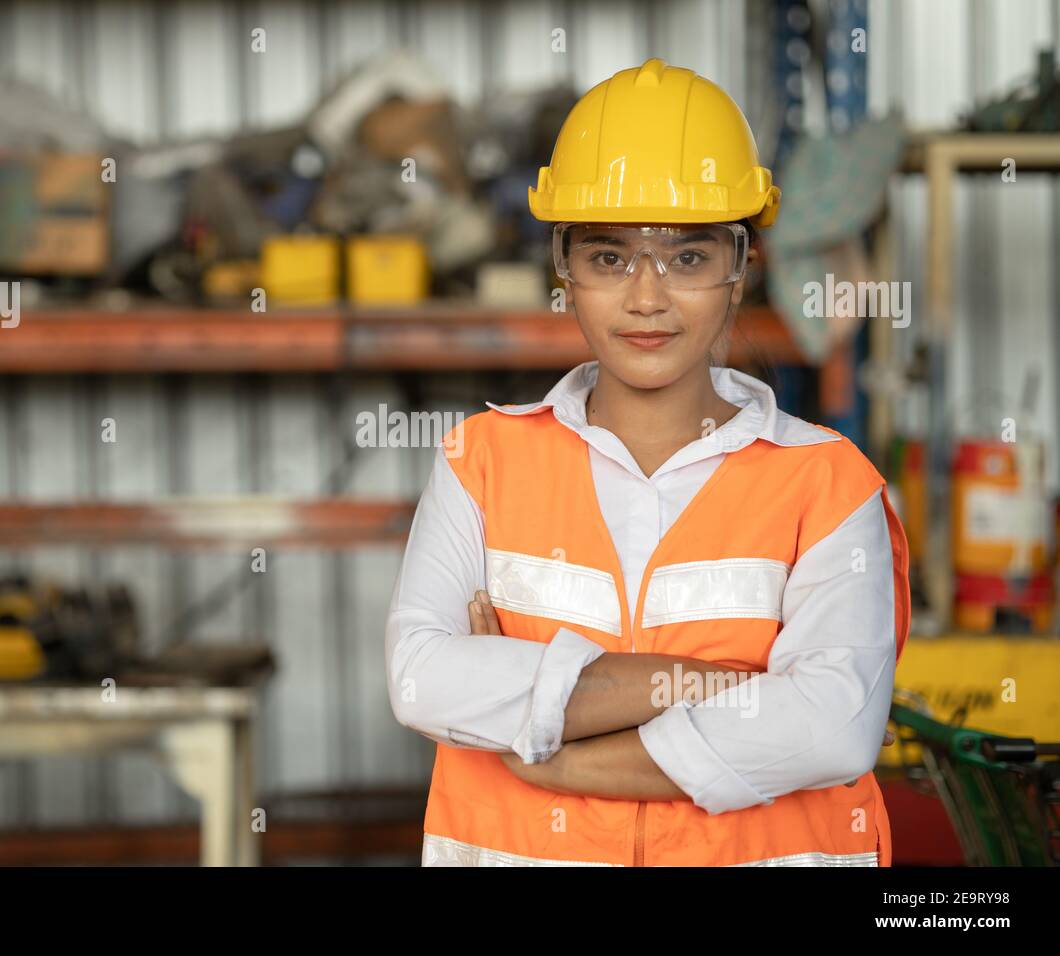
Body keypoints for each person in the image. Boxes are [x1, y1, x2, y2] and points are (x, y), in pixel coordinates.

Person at [384, 58, 911, 867]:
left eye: (689, 259)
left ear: (740, 270)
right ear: (564, 269)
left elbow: (833, 728)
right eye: (608, 257)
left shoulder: (827, 483)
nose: (646, 298)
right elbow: (422, 681)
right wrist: (717, 686)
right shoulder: (479, 463)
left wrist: (558, 747)